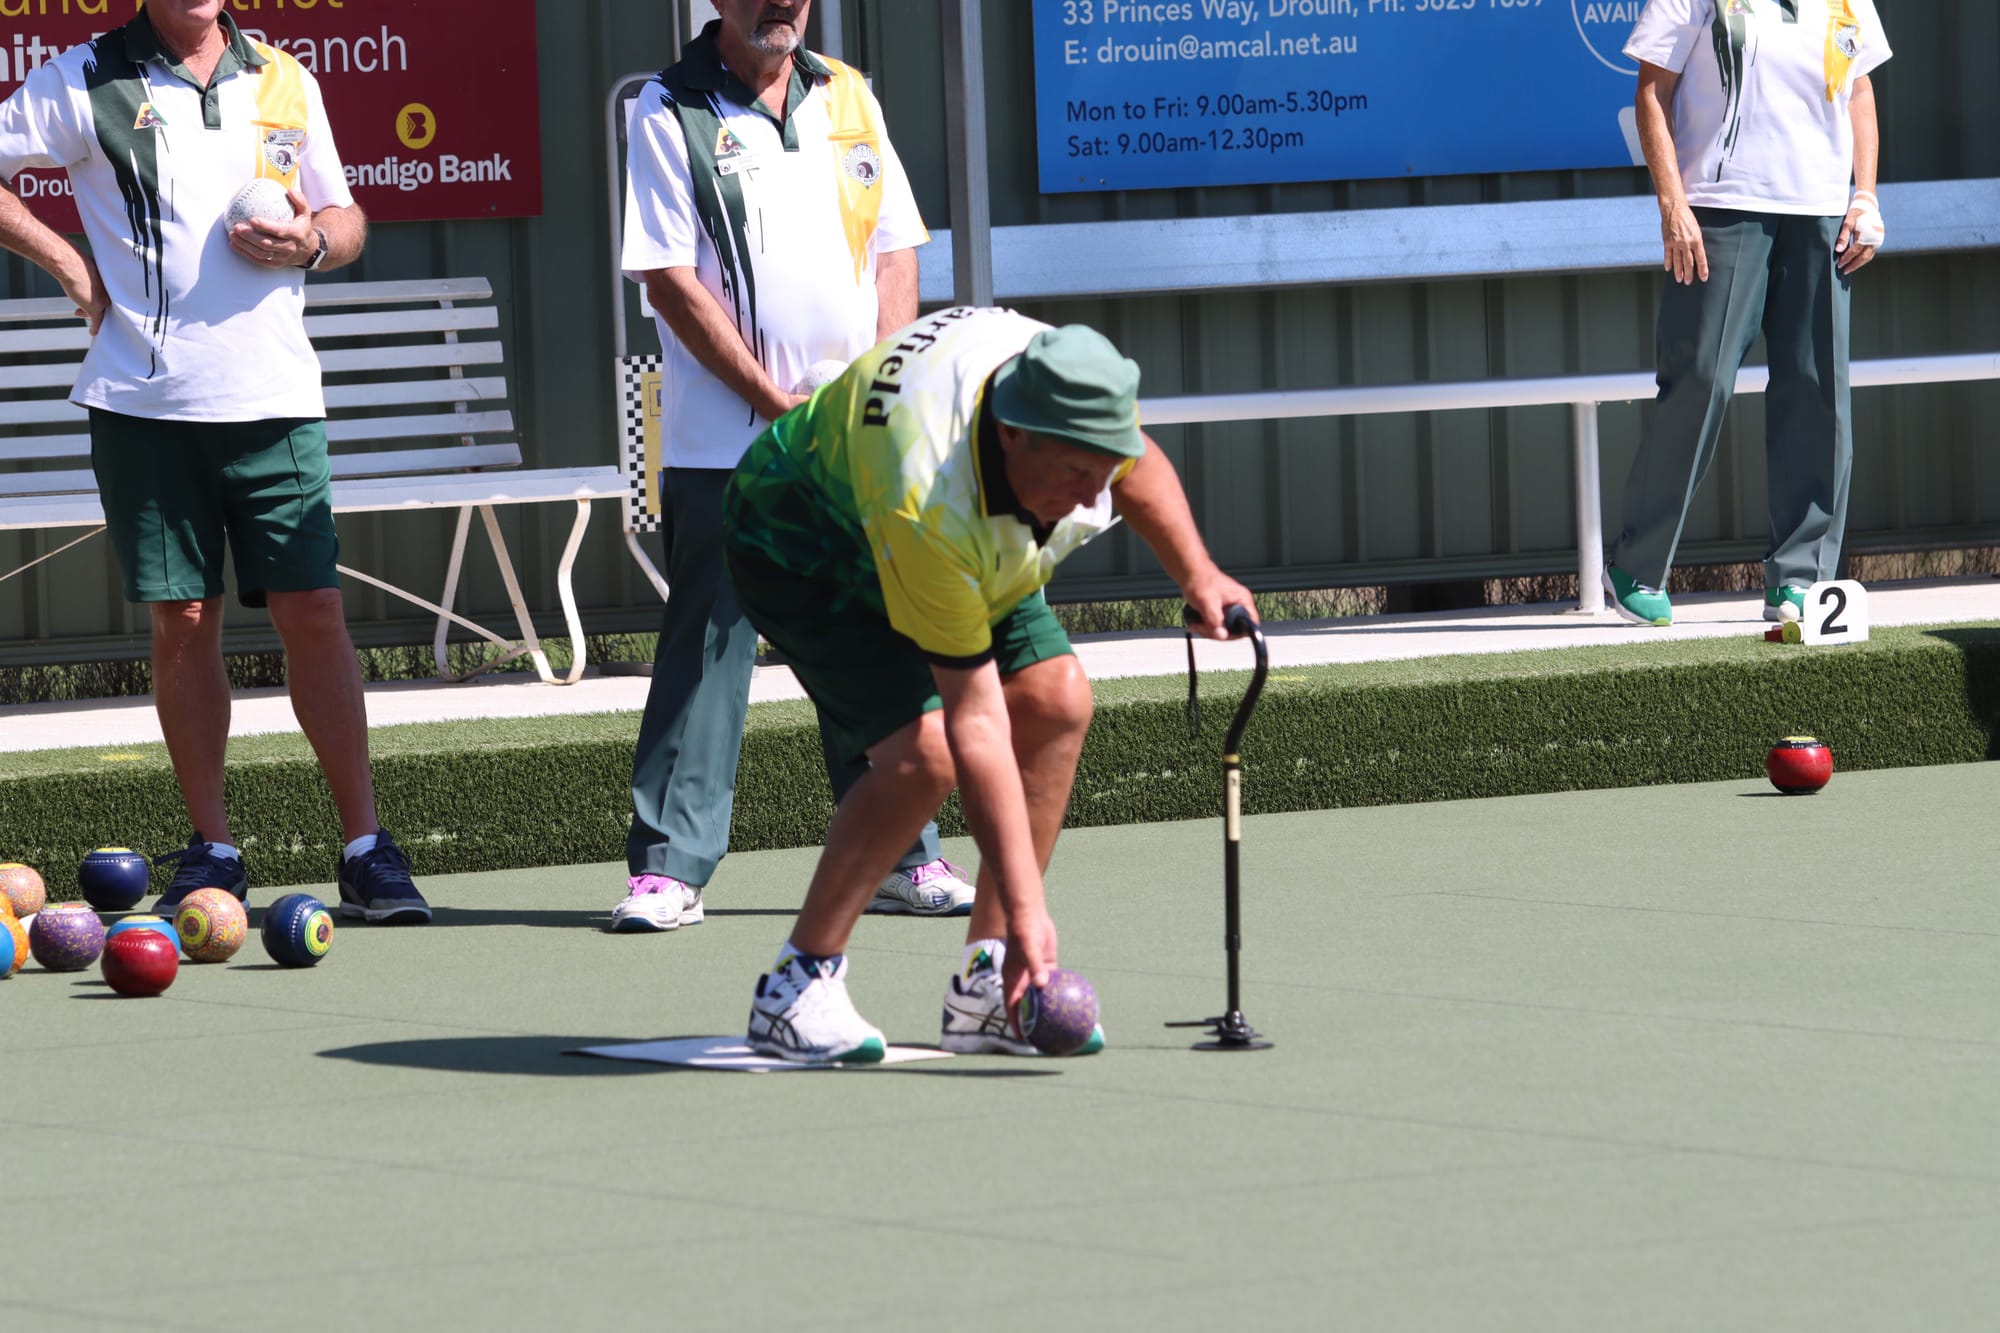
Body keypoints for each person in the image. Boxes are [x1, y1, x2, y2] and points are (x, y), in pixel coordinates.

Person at [723, 308, 1257, 1062]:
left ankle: (985, 987)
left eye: (1098, 473)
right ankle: (797, 984)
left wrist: (1198, 573)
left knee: (1056, 698)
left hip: (958, 529)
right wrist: (1033, 915)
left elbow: (1136, 461)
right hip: (805, 544)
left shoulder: (1071, 396)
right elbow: (976, 724)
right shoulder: (926, 494)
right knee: (925, 756)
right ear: (1011, 432)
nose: (1087, 497)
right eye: (1074, 473)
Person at [0, 1, 428, 924]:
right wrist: (70, 267)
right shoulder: (86, 75)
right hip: (145, 406)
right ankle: (214, 848)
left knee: (314, 610)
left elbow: (344, 214)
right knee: (183, 622)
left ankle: (365, 847)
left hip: (276, 401)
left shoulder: (284, 76)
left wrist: (314, 241)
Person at [616, 0, 966, 934]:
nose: (782, 3)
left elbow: (896, 248)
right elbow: (667, 278)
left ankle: (902, 852)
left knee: (869, 641)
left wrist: (875, 395)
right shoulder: (668, 108)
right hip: (726, 443)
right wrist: (783, 411)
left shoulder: (848, 95)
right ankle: (669, 869)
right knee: (708, 649)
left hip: (850, 438)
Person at [1603, 0, 1889, 628]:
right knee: (1700, 379)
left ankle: (1801, 580)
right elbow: (1653, 91)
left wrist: (1864, 195)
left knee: (1819, 396)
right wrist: (1672, 205)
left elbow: (1861, 91)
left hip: (1819, 214)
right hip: (1719, 208)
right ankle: (1636, 564)